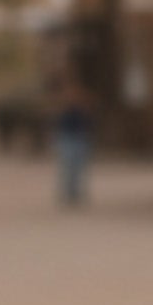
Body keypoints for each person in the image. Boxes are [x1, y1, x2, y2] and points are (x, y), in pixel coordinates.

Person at [50, 70, 93, 208]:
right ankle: (68, 193)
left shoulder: (83, 104)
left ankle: (75, 193)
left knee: (78, 167)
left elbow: (89, 121)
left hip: (79, 137)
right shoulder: (62, 104)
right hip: (67, 137)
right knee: (67, 166)